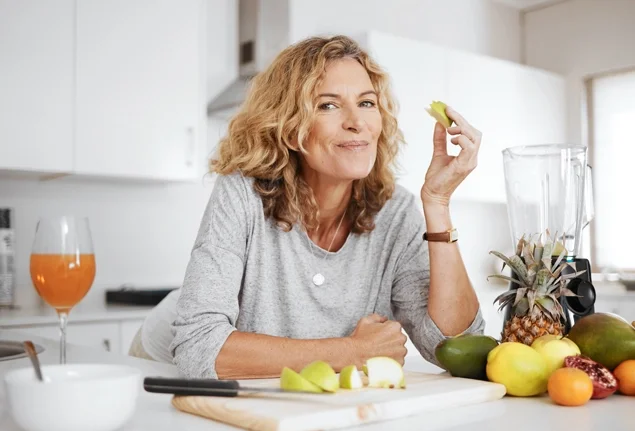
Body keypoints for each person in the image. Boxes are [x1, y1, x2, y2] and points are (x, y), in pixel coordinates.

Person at [133, 35, 485, 379]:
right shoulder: (241, 192)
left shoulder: (396, 212)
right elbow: (198, 349)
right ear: (289, 129)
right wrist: (351, 352)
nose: (356, 122)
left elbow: (458, 348)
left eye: (366, 102)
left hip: (279, 386)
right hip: (163, 364)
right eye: (328, 105)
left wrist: (437, 204)